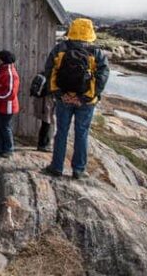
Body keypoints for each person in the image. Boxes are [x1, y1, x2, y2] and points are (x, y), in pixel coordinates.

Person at [43, 18, 110, 179]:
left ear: (72, 29)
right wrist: (85, 98)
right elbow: (102, 77)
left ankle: (56, 167)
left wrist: (60, 94)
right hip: (86, 102)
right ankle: (79, 170)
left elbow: (49, 71)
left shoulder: (60, 49)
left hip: (64, 100)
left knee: (61, 132)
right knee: (82, 133)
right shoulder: (96, 52)